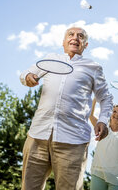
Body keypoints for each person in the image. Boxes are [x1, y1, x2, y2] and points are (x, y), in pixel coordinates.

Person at [20, 26, 113, 190]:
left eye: (80, 36)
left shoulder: (93, 67)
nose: (75, 38)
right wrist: (28, 77)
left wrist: (103, 120)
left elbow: (105, 98)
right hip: (37, 137)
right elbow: (26, 74)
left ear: (85, 44)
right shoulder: (50, 59)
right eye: (71, 34)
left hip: (73, 141)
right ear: (63, 42)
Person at [90, 98, 118, 190]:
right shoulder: (102, 128)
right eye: (114, 111)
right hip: (98, 174)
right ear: (110, 114)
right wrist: (95, 99)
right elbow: (91, 115)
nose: (116, 114)